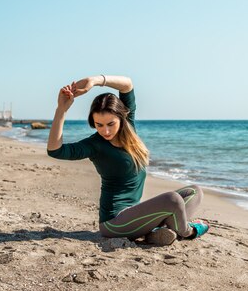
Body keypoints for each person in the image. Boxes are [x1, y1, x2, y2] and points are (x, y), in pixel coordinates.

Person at [46, 74, 209, 245]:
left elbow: (127, 85)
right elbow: (55, 151)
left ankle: (158, 232)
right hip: (115, 223)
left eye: (111, 124)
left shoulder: (129, 125)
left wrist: (94, 81)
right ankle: (188, 231)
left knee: (195, 192)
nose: (105, 131)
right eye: (99, 125)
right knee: (172, 200)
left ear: (121, 119)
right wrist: (61, 110)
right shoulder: (95, 144)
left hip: (137, 215)